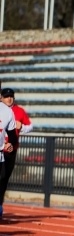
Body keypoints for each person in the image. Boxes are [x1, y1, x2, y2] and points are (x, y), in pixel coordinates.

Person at [0, 87, 29, 218]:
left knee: (3, 178)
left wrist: (11, 142)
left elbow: (13, 134)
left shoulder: (12, 112)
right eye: (6, 96)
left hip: (7, 152)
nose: (9, 98)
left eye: (11, 96)